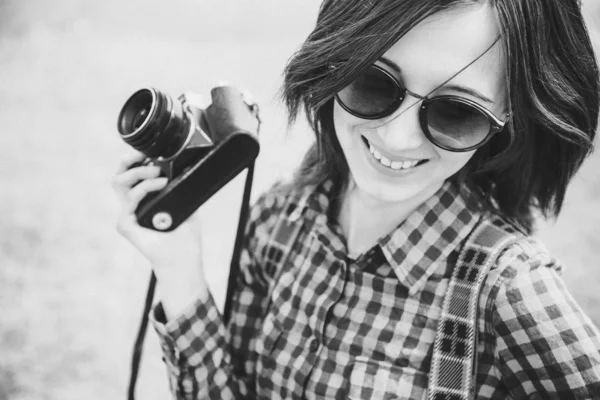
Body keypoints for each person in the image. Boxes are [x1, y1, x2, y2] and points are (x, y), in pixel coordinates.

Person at [112, 0, 600, 398]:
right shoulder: (280, 221)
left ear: (507, 120)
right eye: (373, 82)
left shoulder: (509, 290)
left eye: (457, 113)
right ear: (335, 62)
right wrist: (180, 271)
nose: (398, 137)